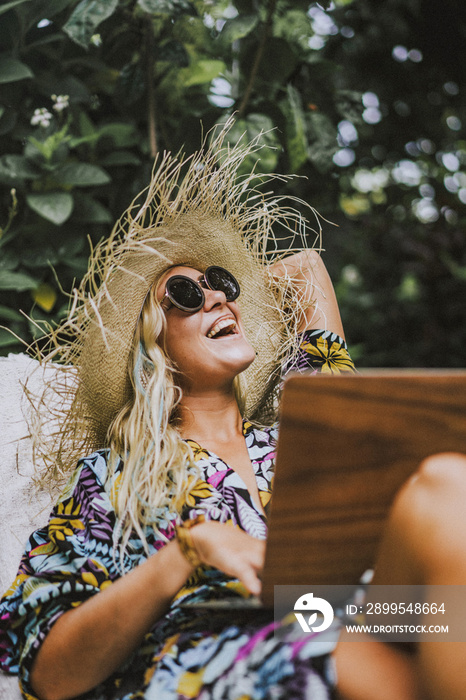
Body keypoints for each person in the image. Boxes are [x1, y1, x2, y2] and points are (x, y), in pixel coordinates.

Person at [0, 124, 465, 700]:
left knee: (449, 487)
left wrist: (226, 295)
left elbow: (305, 268)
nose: (218, 297)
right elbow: (47, 671)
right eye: (186, 297)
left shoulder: (303, 433)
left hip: (345, 613)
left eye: (220, 285)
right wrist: (188, 552)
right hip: (226, 651)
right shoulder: (117, 478)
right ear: (154, 352)